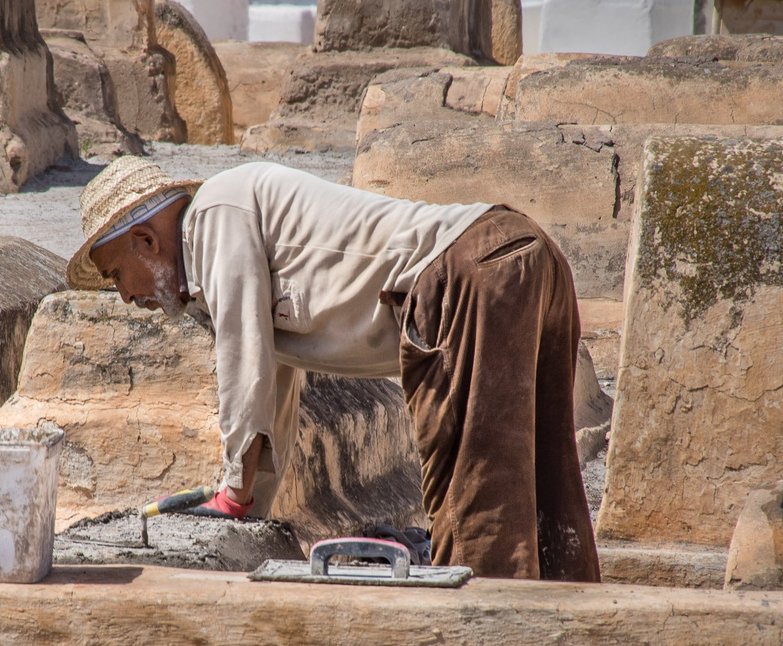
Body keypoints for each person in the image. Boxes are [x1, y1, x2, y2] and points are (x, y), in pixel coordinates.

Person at [68, 156, 600, 583]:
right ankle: (572, 629)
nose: (124, 295)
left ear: (145, 241)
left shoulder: (214, 214)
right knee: (547, 490)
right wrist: (250, 505)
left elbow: (241, 362)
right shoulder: (222, 231)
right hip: (522, 257)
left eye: (118, 274)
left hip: (476, 272)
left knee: (475, 501)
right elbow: (268, 385)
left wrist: (231, 493)